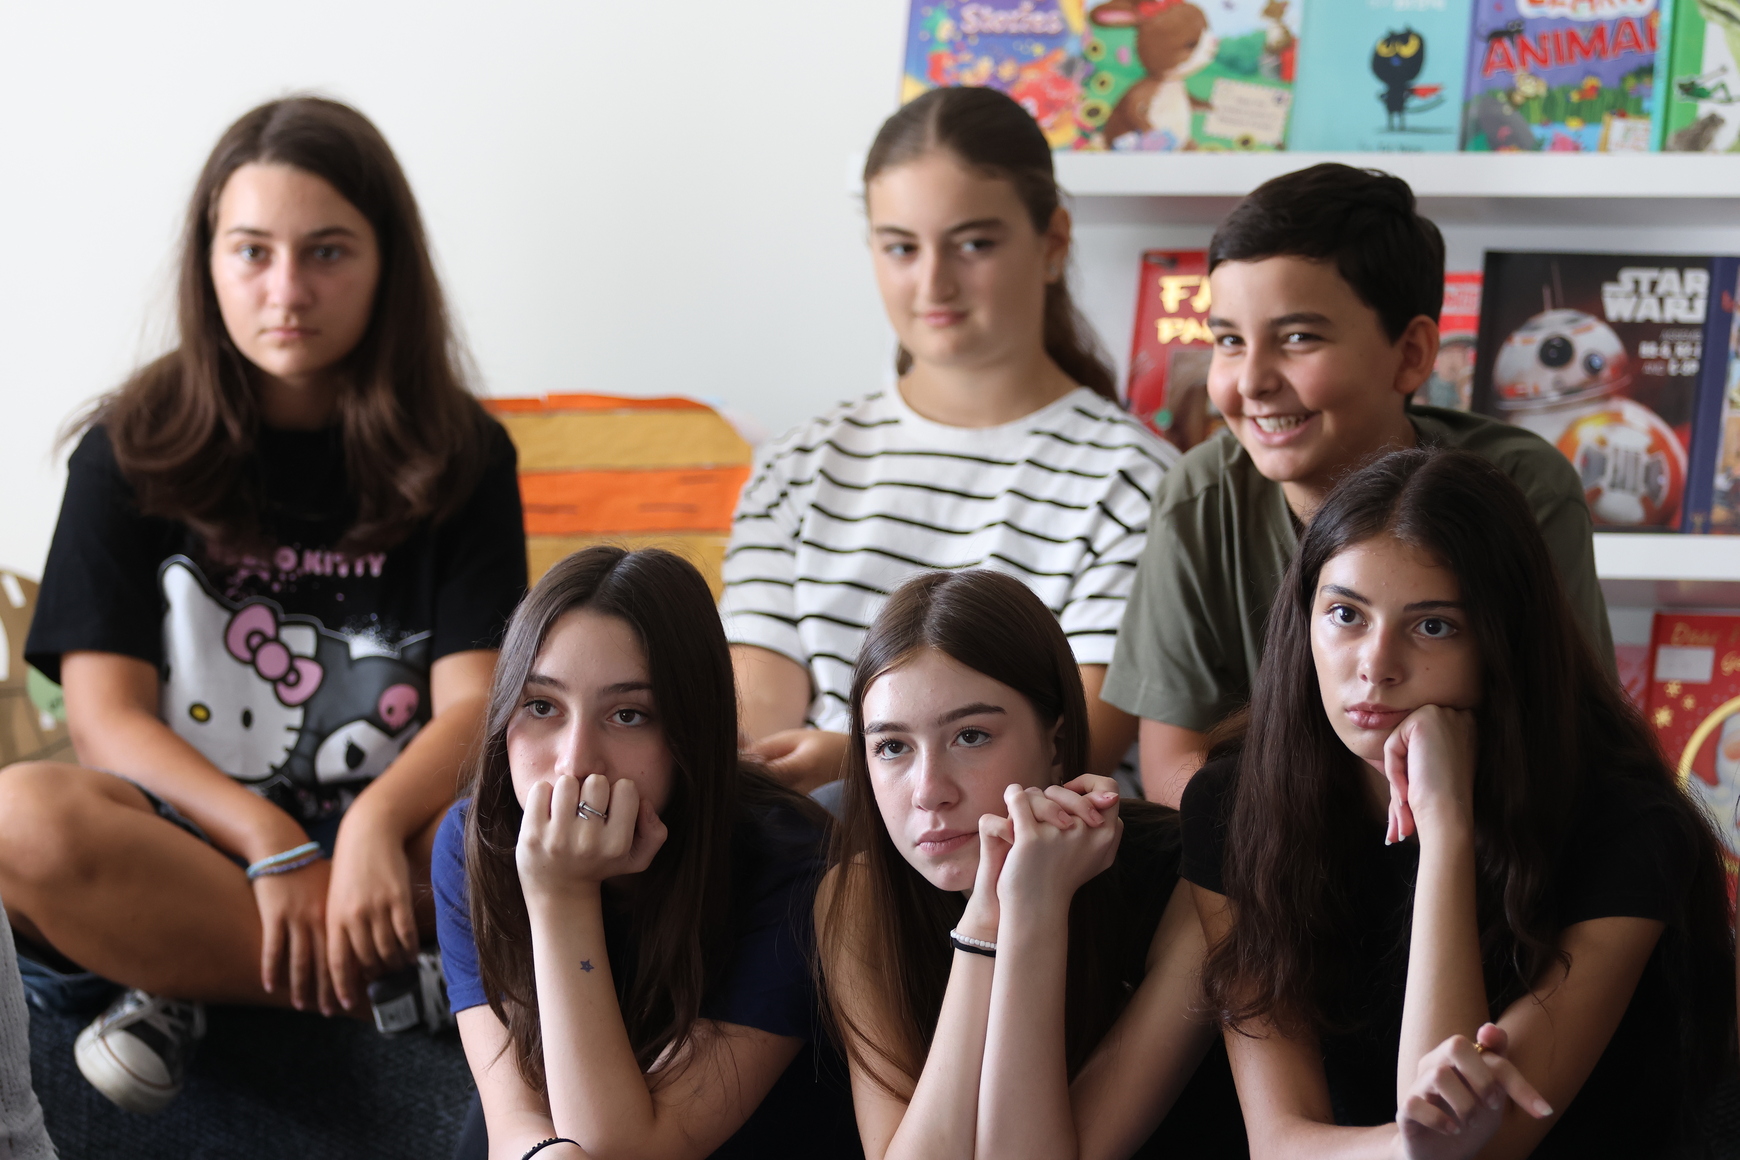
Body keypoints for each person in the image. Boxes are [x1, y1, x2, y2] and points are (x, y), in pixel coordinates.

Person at [0, 96, 526, 1113]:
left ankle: (182, 980)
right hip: (195, 847)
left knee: (542, 820)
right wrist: (267, 839)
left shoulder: (463, 453)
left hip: (398, 854)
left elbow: (476, 705)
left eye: (327, 251)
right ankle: (394, 987)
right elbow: (105, 722)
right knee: (18, 817)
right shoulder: (128, 448)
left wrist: (371, 825)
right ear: (208, 262)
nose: (286, 290)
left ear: (387, 263)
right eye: (252, 251)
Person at [1183, 448, 1736, 1158]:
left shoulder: (1629, 829)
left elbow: (1478, 1149)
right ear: (1304, 621)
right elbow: (1280, 1140)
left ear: (1503, 644)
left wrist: (1445, 828)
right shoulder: (1235, 806)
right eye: (1346, 614)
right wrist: (1406, 1151)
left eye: (1433, 626)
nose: (1376, 666)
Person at [1103, 163, 1614, 807]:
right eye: (1228, 341)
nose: (1252, 381)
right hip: (1271, 850)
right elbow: (1174, 766)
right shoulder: (1200, 497)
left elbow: (1564, 740)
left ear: (1412, 355)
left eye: (1297, 338)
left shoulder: (1520, 488)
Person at [724, 86, 1174, 798]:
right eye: (901, 247)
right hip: (803, 844)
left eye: (973, 244)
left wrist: (855, 765)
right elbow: (754, 727)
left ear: (1053, 243)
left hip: (1020, 855)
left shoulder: (1137, 482)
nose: (933, 282)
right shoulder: (797, 467)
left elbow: (1074, 743)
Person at [437, 546, 859, 1160]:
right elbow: (515, 1122)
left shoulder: (795, 872)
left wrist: (562, 896)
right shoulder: (476, 840)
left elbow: (626, 1152)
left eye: (628, 715)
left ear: (691, 732)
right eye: (541, 706)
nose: (575, 762)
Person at [817, 568, 1245, 1159]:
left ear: (1056, 744)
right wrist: (986, 921)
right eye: (892, 747)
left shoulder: (1198, 879)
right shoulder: (859, 894)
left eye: (970, 736)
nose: (929, 791)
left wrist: (1034, 907)